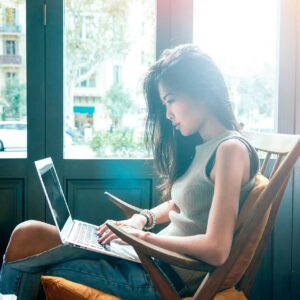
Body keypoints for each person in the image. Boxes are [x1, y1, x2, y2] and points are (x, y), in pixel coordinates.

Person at [0, 44, 259, 299]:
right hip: (146, 259)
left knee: (30, 259)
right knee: (27, 233)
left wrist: (141, 239)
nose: (168, 114)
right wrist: (141, 220)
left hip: (161, 276)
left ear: (200, 90)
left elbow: (216, 249)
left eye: (170, 101)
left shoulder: (230, 150)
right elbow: (182, 204)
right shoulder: (204, 146)